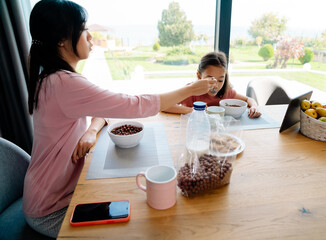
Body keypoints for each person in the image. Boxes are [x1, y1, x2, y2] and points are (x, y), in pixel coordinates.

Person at [23, 0, 216, 238]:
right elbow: (132, 105)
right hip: (50, 209)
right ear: (62, 39)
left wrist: (91, 130)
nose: (90, 36)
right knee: (137, 228)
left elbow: (100, 108)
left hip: (54, 194)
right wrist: (190, 89)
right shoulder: (64, 83)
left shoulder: (52, 78)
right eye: (83, 29)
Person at [163, 51, 262, 118]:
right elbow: (165, 106)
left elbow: (248, 99)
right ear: (199, 76)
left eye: (220, 80)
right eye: (210, 79)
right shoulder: (191, 90)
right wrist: (193, 111)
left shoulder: (225, 92)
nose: (216, 86)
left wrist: (254, 107)